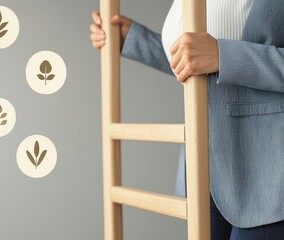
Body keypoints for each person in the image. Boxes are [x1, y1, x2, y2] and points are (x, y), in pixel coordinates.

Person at [90, 0, 284, 239]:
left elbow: (216, 57)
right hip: (205, 169)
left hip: (269, 176)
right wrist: (132, 39)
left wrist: (224, 55)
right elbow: (198, 66)